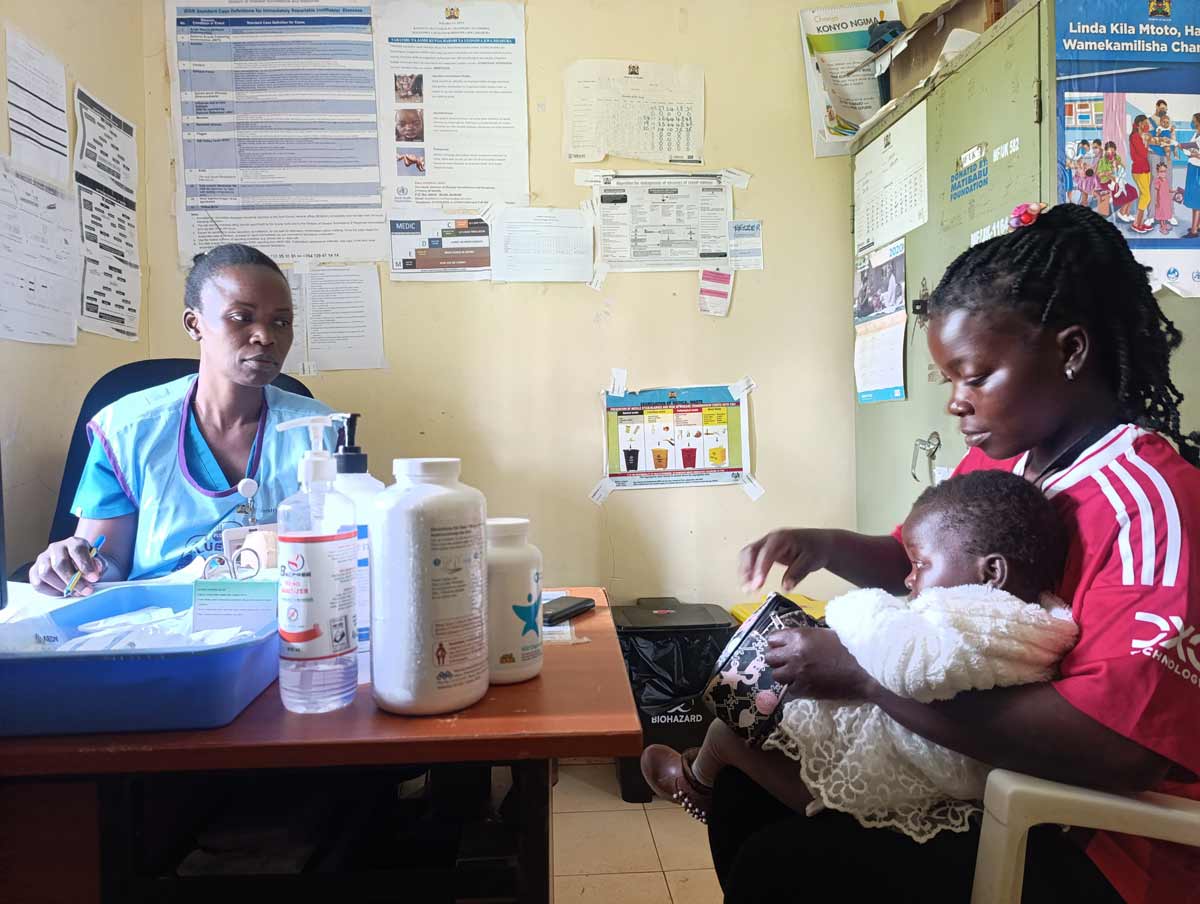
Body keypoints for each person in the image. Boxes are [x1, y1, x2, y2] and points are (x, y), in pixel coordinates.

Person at [716, 204, 1200, 904]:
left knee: (785, 866)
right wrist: (823, 546)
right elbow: (917, 563)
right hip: (997, 773)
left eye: (974, 377)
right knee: (745, 765)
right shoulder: (1004, 463)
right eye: (950, 381)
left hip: (1105, 840)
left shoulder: (1150, 502)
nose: (956, 404)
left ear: (1070, 351)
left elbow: (1117, 749)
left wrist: (865, 676)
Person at [640, 470, 1076, 842]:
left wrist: (842, 621)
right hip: (952, 763)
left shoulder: (964, 623)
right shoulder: (1035, 617)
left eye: (920, 565)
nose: (908, 579)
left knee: (727, 733)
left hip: (904, 788)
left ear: (992, 571)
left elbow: (905, 658)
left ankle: (694, 784)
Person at [30, 244, 335, 595]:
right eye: (241, 317)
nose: (265, 336)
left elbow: (338, 554)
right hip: (157, 625)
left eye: (281, 322)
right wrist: (77, 564)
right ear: (194, 324)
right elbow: (108, 562)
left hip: (280, 623)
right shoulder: (127, 429)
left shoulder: (321, 431)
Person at [1129, 114, 1154, 233]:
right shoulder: (1135, 137)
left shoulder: (1140, 136)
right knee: (1146, 196)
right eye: (1145, 123)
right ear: (1139, 124)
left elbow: (1145, 152)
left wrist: (1147, 141)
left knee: (1143, 195)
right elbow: (1144, 154)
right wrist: (1147, 143)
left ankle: (1140, 222)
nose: (1147, 125)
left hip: (1145, 169)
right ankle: (1136, 224)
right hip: (1139, 170)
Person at [1185, 113, 1200, 239]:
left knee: (1196, 200)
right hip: (1193, 167)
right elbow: (1189, 148)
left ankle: (1194, 231)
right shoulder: (1196, 134)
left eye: (1193, 120)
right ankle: (1197, 225)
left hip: (1198, 170)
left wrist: (1195, 155)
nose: (1192, 122)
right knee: (1195, 198)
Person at [1154, 161, 1174, 235]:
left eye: (1164, 171)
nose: (1163, 173)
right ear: (1158, 172)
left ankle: (1165, 224)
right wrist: (1156, 200)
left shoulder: (1166, 180)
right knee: (1162, 214)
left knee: (1165, 213)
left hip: (1166, 200)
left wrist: (1174, 191)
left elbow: (1168, 189)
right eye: (1161, 171)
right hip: (1160, 200)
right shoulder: (1158, 181)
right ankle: (1162, 227)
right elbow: (1156, 191)